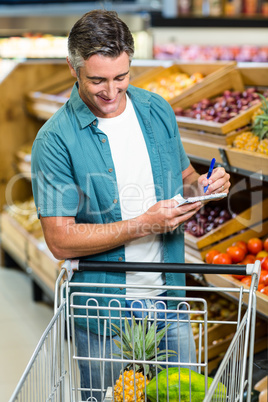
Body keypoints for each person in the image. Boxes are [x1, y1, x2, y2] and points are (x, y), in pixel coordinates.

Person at [31, 9, 231, 400]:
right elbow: (60, 240)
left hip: (170, 298)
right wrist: (146, 223)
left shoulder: (156, 110)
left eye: (121, 77)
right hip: (103, 313)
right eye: (98, 80)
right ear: (72, 68)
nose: (111, 91)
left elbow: (185, 180)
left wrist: (206, 186)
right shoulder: (54, 140)